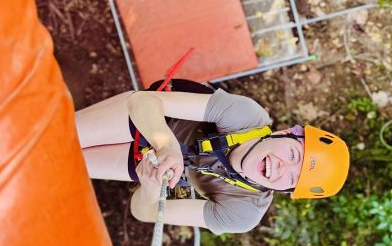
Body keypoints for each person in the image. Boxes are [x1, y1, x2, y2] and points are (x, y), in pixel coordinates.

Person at [74, 80, 350, 234]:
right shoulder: (246, 117)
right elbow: (142, 102)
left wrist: (149, 189)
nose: (281, 167)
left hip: (152, 164)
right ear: (284, 133)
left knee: (65, 163)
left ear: (285, 190)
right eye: (293, 154)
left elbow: (143, 212)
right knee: (61, 139)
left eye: (292, 177)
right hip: (152, 119)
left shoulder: (243, 212)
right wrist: (165, 142)